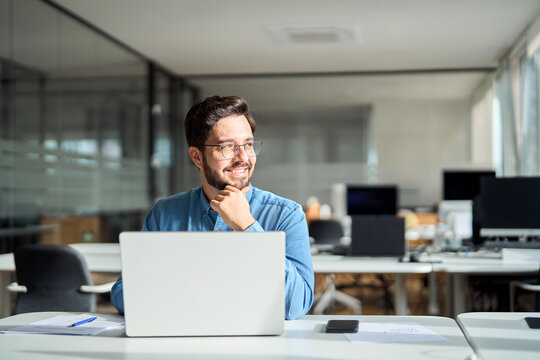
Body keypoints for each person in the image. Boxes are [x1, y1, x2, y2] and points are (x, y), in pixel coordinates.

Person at [110, 95, 314, 320]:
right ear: (197, 157)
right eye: (227, 147)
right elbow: (123, 294)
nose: (243, 157)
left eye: (247, 144)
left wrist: (247, 227)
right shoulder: (165, 214)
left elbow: (297, 304)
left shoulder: (286, 215)